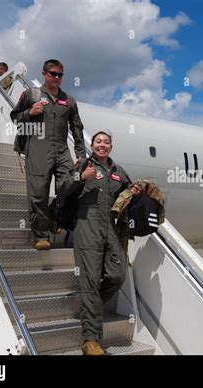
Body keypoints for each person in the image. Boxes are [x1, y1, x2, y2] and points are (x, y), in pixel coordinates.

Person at [62, 131, 141, 355]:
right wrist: (81, 177)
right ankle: (90, 340)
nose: (102, 145)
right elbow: (64, 188)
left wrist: (133, 192)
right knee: (89, 281)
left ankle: (90, 306)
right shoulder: (84, 164)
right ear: (92, 145)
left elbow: (125, 196)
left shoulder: (118, 171)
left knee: (117, 275)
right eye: (98, 142)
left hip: (111, 228)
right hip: (87, 227)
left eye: (106, 142)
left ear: (111, 146)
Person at [10, 59, 85, 250]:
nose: (57, 78)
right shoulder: (31, 95)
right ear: (44, 74)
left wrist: (81, 154)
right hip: (37, 147)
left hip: (61, 148)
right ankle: (41, 236)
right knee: (38, 194)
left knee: (72, 185)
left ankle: (53, 214)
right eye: (53, 74)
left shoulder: (69, 100)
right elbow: (15, 118)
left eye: (60, 74)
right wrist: (29, 112)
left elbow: (77, 128)